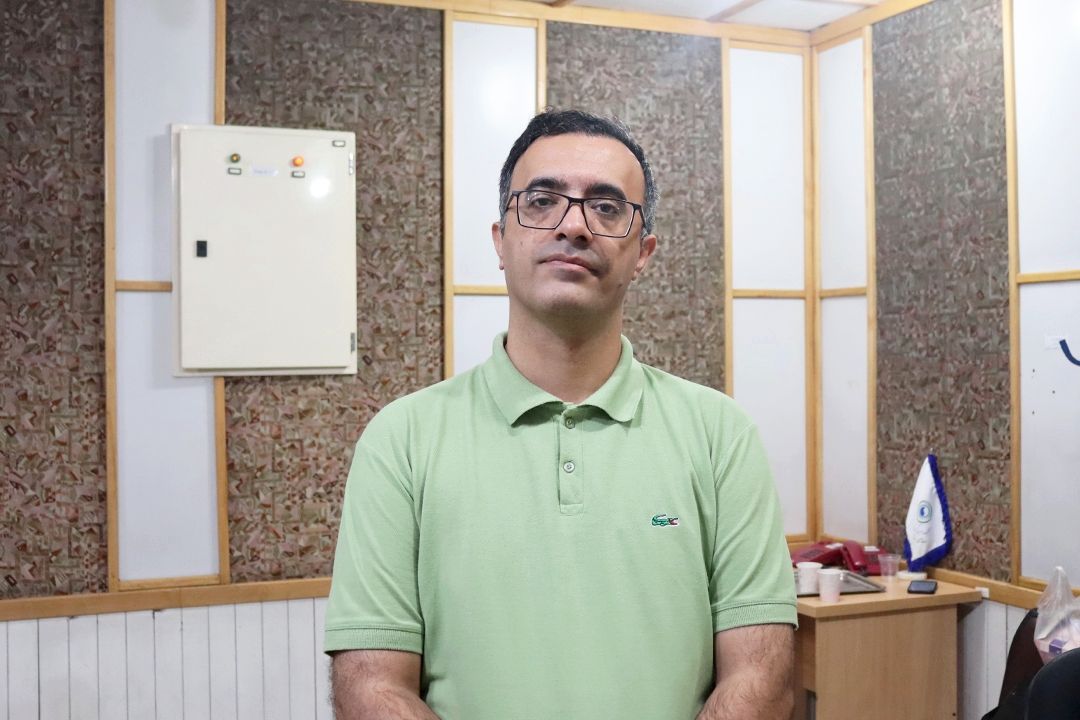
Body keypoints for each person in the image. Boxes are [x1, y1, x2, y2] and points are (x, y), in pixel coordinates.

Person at [324, 108, 797, 720]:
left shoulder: (720, 435)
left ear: (643, 253)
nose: (573, 226)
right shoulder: (401, 440)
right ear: (500, 240)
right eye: (542, 201)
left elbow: (760, 678)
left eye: (606, 207)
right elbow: (371, 688)